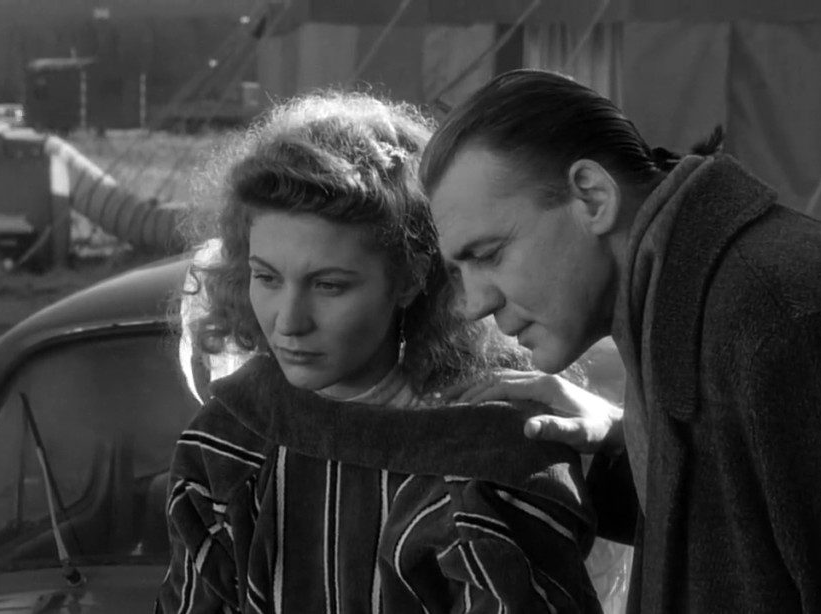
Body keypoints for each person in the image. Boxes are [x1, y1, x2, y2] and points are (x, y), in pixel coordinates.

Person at [418, 68, 821, 613]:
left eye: (488, 254)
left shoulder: (784, 326)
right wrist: (633, 441)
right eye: (459, 272)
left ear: (592, 196)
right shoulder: (707, 313)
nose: (473, 304)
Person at [156, 91, 609, 613]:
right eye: (267, 278)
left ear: (411, 277)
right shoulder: (226, 444)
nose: (289, 321)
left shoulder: (493, 458)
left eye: (329, 285)